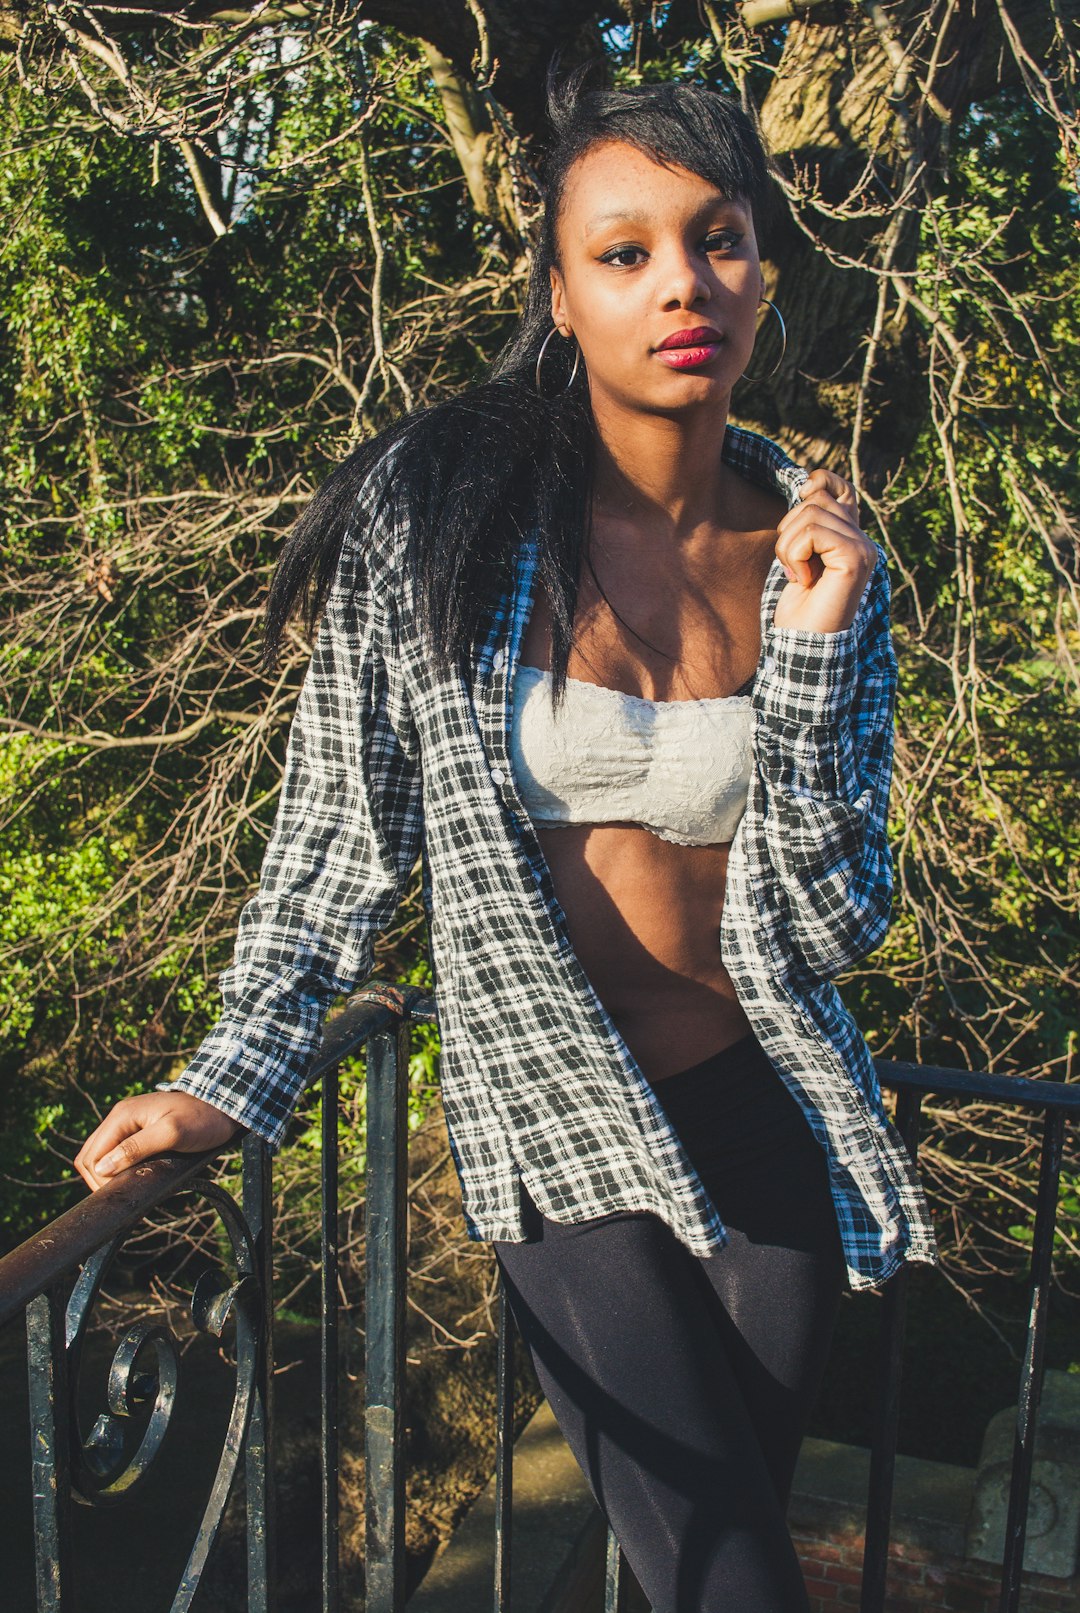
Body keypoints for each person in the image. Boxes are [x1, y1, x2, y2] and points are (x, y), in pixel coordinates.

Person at [74, 66, 937, 1612]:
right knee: (741, 1579)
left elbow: (836, 919)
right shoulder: (448, 516)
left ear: (763, 268)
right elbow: (339, 833)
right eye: (625, 251)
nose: (682, 282)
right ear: (558, 289)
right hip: (557, 1131)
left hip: (769, 1119)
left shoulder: (824, 554)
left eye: (720, 238)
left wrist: (808, 659)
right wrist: (230, 1082)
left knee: (707, 1561)